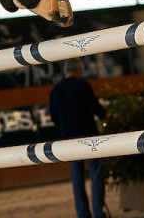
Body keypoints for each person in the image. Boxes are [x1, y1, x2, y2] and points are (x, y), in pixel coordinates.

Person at [48, 58, 108, 218]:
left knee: (77, 177)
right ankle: (98, 212)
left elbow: (53, 117)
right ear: (79, 70)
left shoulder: (55, 90)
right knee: (96, 173)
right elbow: (96, 110)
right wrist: (104, 111)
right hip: (88, 135)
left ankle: (83, 214)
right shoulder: (83, 86)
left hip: (69, 138)